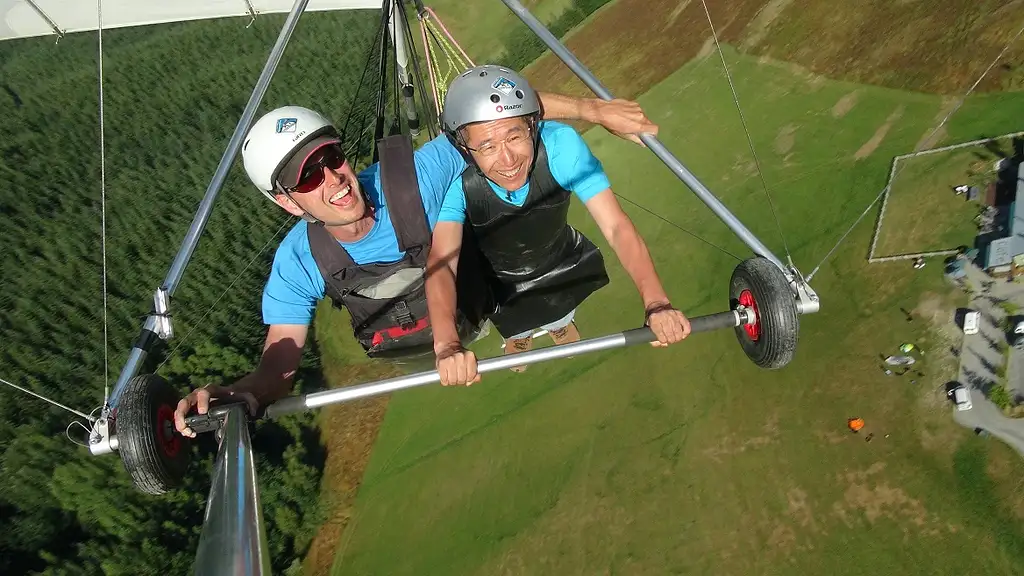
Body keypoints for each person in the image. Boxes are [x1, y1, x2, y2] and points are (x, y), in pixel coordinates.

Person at [174, 91, 661, 437]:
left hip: (472, 306)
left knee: (519, 262)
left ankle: (539, 327)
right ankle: (525, 332)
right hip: (418, 346)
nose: (333, 179)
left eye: (330, 156)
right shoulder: (298, 262)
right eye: (307, 178)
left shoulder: (413, 178)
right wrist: (238, 393)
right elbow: (277, 368)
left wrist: (595, 111)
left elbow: (495, 107)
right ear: (287, 203)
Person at [424, 65, 691, 386]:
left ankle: (559, 325)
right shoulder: (455, 179)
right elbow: (442, 264)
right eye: (488, 146)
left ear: (532, 126)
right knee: (514, 317)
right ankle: (521, 335)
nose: (507, 160)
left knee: (559, 304)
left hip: (556, 257)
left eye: (515, 136)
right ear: (464, 149)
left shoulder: (560, 146)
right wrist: (447, 343)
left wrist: (656, 303)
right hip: (499, 282)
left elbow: (616, 227)